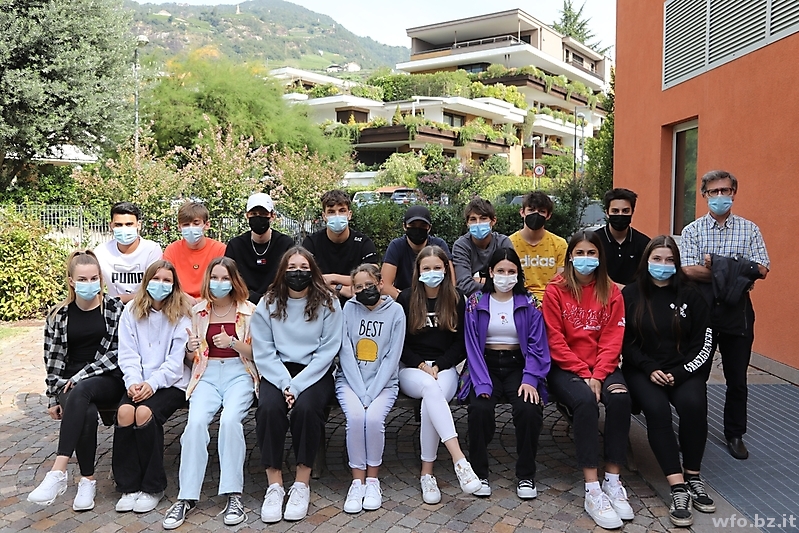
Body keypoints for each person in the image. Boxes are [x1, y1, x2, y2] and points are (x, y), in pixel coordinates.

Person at [622, 235, 715, 527]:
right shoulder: (631, 294)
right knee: (657, 410)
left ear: (677, 263)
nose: (663, 265)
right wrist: (649, 367)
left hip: (684, 370)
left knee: (693, 405)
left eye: (669, 260)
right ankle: (677, 487)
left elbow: (705, 343)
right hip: (644, 370)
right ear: (647, 261)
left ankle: (693, 476)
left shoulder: (692, 294)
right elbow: (625, 342)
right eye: (657, 259)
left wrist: (683, 372)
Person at [542, 230, 631, 530]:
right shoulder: (556, 290)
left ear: (600, 257)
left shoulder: (611, 291)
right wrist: (583, 373)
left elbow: (613, 338)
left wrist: (599, 374)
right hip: (566, 367)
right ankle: (592, 489)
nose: (585, 259)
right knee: (584, 402)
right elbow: (555, 340)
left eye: (591, 253)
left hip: (603, 366)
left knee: (620, 399)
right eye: (579, 253)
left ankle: (613, 481)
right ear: (570, 256)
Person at [162, 257, 258, 529]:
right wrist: (190, 349)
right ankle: (186, 496)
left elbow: (259, 353)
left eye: (225, 278)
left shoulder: (249, 311)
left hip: (239, 372)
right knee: (194, 424)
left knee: (230, 421)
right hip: (206, 373)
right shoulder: (198, 311)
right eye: (214, 277)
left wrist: (233, 343)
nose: (219, 283)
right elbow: (190, 357)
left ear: (234, 281)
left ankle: (233, 494)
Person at [680, 170, 769, 461]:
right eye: (714, 191)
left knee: (737, 378)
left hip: (738, 311)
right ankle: (695, 430)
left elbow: (762, 269)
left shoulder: (750, 229)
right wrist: (737, 269)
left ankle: (735, 433)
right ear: (704, 195)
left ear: (734, 192)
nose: (720, 196)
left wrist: (716, 264)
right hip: (702, 310)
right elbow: (688, 270)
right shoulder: (692, 231)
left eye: (725, 190)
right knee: (696, 376)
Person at [27, 251, 126, 511]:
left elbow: (119, 353)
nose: (89, 283)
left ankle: (58, 470)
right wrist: (52, 397)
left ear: (101, 278)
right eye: (83, 279)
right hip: (69, 381)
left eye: (94, 278)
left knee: (82, 390)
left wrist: (82, 375)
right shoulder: (58, 314)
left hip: (107, 378)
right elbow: (53, 359)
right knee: (86, 411)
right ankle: (87, 480)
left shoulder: (114, 309)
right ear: (71, 281)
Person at [251, 246, 343, 523]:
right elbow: (263, 350)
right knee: (268, 409)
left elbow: (328, 350)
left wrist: (297, 386)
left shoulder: (328, 302)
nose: (298, 273)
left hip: (315, 371)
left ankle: (302, 483)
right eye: (291, 268)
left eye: (304, 268)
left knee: (307, 410)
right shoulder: (268, 302)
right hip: (277, 370)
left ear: (313, 271)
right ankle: (275, 484)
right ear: (282, 271)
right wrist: (284, 383)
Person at [460, 247, 549, 500]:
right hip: (484, 364)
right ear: (490, 272)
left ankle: (526, 475)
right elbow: (471, 345)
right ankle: (479, 473)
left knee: (529, 409)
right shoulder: (476, 302)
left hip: (519, 364)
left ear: (518, 274)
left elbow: (538, 344)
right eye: (500, 270)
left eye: (511, 271)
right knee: (480, 409)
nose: (505, 276)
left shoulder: (529, 302)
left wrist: (530, 378)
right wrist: (482, 383)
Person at [397, 246, 482, 504]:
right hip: (411, 369)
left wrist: (440, 365)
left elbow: (460, 343)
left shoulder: (456, 298)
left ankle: (427, 474)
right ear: (418, 271)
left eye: (437, 267)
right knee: (430, 390)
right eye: (426, 268)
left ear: (446, 269)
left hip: (444, 368)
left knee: (430, 401)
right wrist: (421, 365)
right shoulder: (406, 298)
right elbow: (399, 342)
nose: (432, 272)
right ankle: (460, 460)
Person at [113, 260, 191, 514]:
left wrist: (152, 384)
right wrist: (133, 382)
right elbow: (128, 353)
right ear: (147, 281)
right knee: (125, 412)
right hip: (138, 380)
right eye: (156, 279)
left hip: (172, 382)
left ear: (174, 285)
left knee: (145, 413)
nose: (161, 284)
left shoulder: (182, 314)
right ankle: (128, 486)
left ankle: (153, 486)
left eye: (167, 280)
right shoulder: (131, 310)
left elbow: (176, 361)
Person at [337, 264, 406, 513]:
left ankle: (373, 480)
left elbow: (392, 356)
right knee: (356, 418)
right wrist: (360, 391)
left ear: (380, 283)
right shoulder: (348, 309)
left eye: (369, 284)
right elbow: (345, 351)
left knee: (374, 419)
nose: (364, 290)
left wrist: (371, 393)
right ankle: (357, 482)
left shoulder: (396, 312)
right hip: (350, 382)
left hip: (383, 384)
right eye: (358, 287)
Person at [302, 189, 378, 303]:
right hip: (321, 303)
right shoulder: (311, 242)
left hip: (358, 304)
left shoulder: (364, 243)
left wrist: (333, 278)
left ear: (349, 214)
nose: (337, 216)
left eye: (342, 211)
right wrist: (342, 288)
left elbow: (373, 278)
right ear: (324, 216)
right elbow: (304, 278)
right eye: (331, 212)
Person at [225, 192, 294, 304]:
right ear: (247, 216)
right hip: (243, 303)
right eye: (253, 213)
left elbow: (289, 278)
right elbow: (230, 278)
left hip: (277, 302)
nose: (258, 217)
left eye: (263, 214)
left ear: (272, 216)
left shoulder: (285, 244)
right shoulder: (235, 245)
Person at [94, 202, 162, 303]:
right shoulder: (101, 252)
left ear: (139, 225)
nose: (124, 229)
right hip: (113, 308)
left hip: (144, 305)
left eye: (129, 224)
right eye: (118, 225)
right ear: (111, 226)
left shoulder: (151, 250)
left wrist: (118, 298)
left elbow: (155, 290)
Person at [381, 205, 453, 299]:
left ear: (429, 228)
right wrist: (406, 300)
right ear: (404, 226)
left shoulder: (439, 245)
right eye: (413, 225)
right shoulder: (396, 246)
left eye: (423, 226)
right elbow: (385, 286)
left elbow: (451, 282)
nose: (417, 229)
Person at [508, 191, 567, 304]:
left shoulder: (560, 244)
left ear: (548, 216)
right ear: (522, 212)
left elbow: (561, 281)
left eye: (541, 211)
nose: (536, 214)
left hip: (550, 301)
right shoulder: (509, 243)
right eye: (531, 210)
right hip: (518, 300)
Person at [163, 202, 226, 301]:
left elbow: (224, 283)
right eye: (186, 224)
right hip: (179, 301)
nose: (191, 228)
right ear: (179, 227)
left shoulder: (220, 250)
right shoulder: (171, 250)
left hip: (212, 301)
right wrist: (184, 299)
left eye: (196, 223)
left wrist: (201, 301)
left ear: (206, 225)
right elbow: (166, 282)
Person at [452, 198, 513, 296]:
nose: (478, 223)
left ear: (493, 221)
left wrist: (479, 280)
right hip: (471, 300)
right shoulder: (461, 246)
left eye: (483, 218)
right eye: (473, 219)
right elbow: (464, 285)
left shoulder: (503, 243)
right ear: (467, 223)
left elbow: (512, 279)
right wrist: (497, 285)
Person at [595, 188, 650, 287]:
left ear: (632, 212)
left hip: (633, 295)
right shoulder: (594, 241)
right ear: (607, 213)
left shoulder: (644, 243)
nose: (620, 215)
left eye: (625, 211)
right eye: (615, 211)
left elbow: (646, 277)